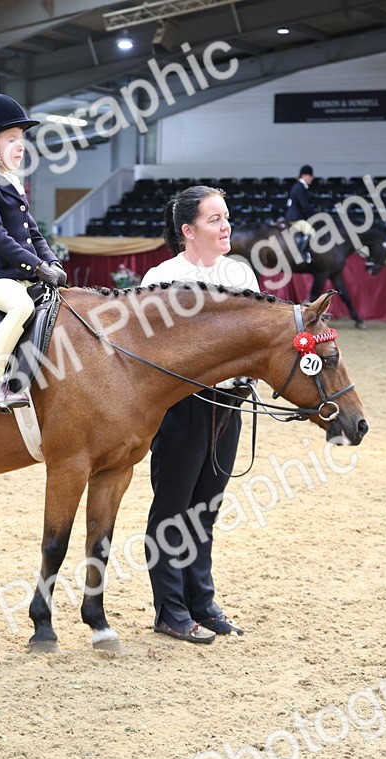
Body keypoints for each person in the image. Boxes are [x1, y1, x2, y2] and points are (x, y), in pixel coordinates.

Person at [141, 185, 260, 644]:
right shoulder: (163, 277)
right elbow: (153, 348)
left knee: (205, 509)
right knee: (173, 509)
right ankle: (169, 610)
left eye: (226, 217)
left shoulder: (241, 274)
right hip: (182, 407)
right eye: (215, 219)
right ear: (188, 230)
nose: (226, 225)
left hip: (231, 405)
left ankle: (202, 603)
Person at [0, 92, 67, 410]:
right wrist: (37, 268)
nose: (21, 146)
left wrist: (52, 261)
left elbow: (33, 232)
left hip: (17, 273)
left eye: (22, 139)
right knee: (21, 309)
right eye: (12, 139)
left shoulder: (11, 183)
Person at [284, 164, 317, 264]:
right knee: (311, 232)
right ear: (305, 175)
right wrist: (316, 215)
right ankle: (302, 254)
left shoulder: (298, 186)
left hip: (296, 216)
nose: (312, 178)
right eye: (311, 176)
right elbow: (305, 206)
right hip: (296, 218)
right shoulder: (299, 187)